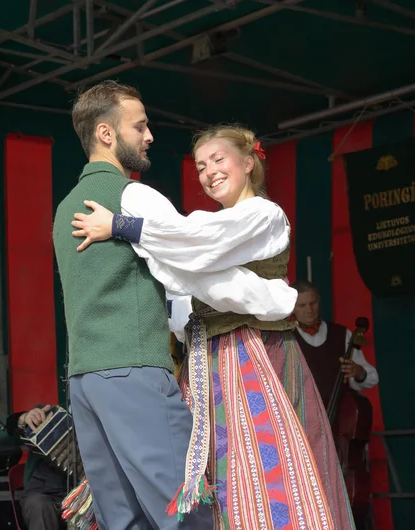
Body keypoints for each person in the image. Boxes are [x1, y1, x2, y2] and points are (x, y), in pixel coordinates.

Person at [70, 124, 357, 529]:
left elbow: (199, 251)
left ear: (248, 161)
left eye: (218, 160)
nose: (209, 172)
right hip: (206, 362)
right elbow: (184, 272)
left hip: (252, 354)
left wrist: (124, 227)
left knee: (261, 464)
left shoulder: (263, 215)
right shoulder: (201, 226)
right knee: (208, 471)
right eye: (201, 166)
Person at [53, 81, 296, 529]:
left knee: (121, 519)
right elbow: (192, 261)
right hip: (133, 370)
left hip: (85, 381)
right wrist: (277, 296)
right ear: (107, 134)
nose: (149, 137)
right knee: (182, 511)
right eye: (140, 126)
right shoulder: (134, 195)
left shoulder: (65, 206)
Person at [292, 279, 379, 407]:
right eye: (302, 305)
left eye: (313, 303)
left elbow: (371, 378)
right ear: (292, 308)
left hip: (341, 413)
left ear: (319, 301)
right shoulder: (285, 339)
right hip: (301, 415)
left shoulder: (342, 334)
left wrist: (359, 372)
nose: (309, 310)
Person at [0, 405, 70, 530]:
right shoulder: (47, 413)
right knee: (39, 504)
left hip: (82, 493)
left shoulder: (98, 420)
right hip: (44, 493)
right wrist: (22, 419)